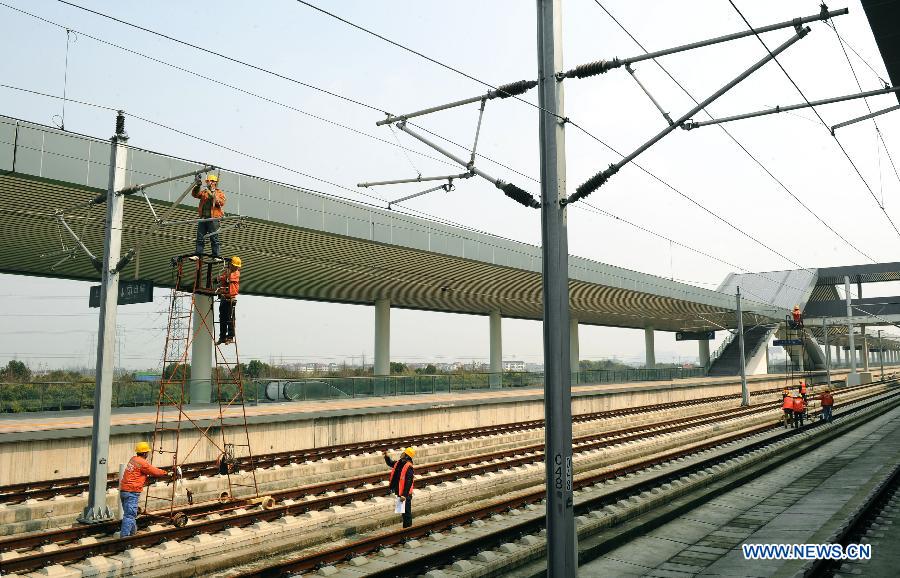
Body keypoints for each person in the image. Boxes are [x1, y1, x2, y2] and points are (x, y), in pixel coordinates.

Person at [119, 441, 171, 537]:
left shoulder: (133, 459)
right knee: (130, 515)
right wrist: (166, 473)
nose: (148, 454)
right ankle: (124, 538)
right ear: (144, 453)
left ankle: (132, 533)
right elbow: (154, 471)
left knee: (130, 514)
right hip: (132, 491)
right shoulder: (142, 463)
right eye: (147, 452)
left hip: (124, 490)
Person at [192, 174, 226, 257]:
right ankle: (198, 254)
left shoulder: (219, 193)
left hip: (213, 219)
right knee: (200, 237)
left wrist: (212, 195)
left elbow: (221, 203)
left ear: (215, 182)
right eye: (208, 181)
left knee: (214, 238)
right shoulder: (204, 192)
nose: (209, 183)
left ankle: (216, 255)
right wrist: (197, 186)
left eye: (211, 181)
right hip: (204, 218)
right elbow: (195, 194)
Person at [383, 447, 415, 528]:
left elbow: (409, 482)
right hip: (399, 491)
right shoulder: (399, 463)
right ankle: (405, 527)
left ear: (407, 455)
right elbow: (390, 463)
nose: (402, 453)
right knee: (402, 511)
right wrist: (386, 457)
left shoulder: (409, 467)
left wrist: (404, 495)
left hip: (405, 494)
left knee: (406, 512)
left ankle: (408, 529)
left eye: (404, 453)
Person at [217, 256, 241, 345]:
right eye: (235, 265)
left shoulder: (236, 273)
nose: (236, 267)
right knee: (222, 318)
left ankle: (230, 337)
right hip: (224, 298)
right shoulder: (228, 272)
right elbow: (223, 278)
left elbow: (229, 278)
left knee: (230, 318)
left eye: (236, 266)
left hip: (231, 298)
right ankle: (222, 337)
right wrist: (218, 278)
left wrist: (223, 276)